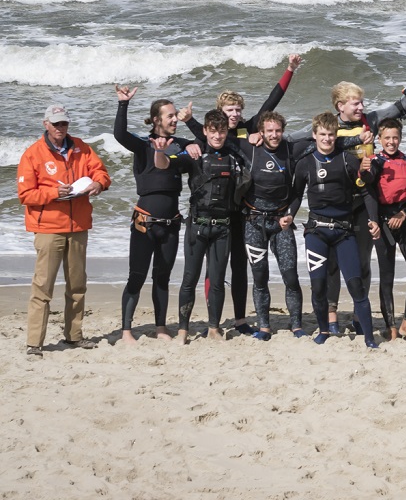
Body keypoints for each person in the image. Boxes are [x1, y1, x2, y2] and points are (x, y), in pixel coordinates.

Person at [184, 54, 302, 336]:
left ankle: (239, 320)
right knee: (215, 269)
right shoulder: (213, 136)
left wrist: (289, 70)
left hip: (246, 213)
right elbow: (196, 141)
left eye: (237, 109)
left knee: (240, 267)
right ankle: (214, 320)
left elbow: (272, 103)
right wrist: (188, 132)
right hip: (221, 213)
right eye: (228, 109)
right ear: (218, 113)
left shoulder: (251, 131)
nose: (234, 114)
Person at [321, 53, 406, 335]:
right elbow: (304, 141)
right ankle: (332, 314)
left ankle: (360, 316)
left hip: (364, 204)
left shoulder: (371, 120)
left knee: (361, 262)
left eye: (361, 102)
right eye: (356, 102)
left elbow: (403, 105)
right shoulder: (330, 130)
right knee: (334, 263)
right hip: (336, 203)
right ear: (340, 106)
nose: (362, 106)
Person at [19, 105, 111, 357]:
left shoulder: (81, 147)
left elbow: (102, 172)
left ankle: (74, 337)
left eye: (64, 124)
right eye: (56, 124)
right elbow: (25, 195)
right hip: (48, 228)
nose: (61, 128)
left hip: (78, 226)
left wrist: (98, 183)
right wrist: (52, 193)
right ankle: (34, 343)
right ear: (45, 124)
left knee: (77, 286)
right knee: (43, 287)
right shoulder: (33, 154)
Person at [155, 109, 249, 343]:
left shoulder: (235, 155)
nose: (218, 136)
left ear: (227, 132)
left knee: (217, 281)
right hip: (197, 226)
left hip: (223, 228)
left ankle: (214, 328)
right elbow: (165, 164)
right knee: (190, 278)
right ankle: (183, 330)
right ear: (205, 131)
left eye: (222, 131)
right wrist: (159, 151)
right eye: (213, 131)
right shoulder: (194, 154)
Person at [113, 86, 197, 344]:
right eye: (169, 116)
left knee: (162, 277)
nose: (174, 119)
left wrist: (194, 140)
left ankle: (161, 328)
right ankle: (126, 330)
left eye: (175, 115)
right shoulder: (143, 145)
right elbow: (119, 134)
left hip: (171, 223)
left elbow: (204, 142)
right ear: (157, 119)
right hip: (144, 223)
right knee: (137, 276)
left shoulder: (180, 145)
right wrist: (123, 104)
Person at [290, 112, 380, 347]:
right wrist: (288, 213)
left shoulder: (347, 161)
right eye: (322, 135)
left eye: (331, 135)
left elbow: (365, 189)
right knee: (319, 285)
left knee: (355, 284)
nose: (327, 139)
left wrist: (373, 219)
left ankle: (369, 339)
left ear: (336, 136)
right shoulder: (305, 164)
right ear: (314, 135)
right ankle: (324, 331)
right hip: (316, 232)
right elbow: (296, 195)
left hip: (343, 232)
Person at [237, 111, 303, 340]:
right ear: (261, 132)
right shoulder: (249, 148)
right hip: (254, 222)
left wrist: (291, 215)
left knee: (291, 275)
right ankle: (264, 326)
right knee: (259, 277)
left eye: (278, 131)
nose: (274, 135)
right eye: (269, 131)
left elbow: (324, 139)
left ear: (282, 131)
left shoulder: (290, 150)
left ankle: (296, 325)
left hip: (281, 222)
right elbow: (217, 138)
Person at [360, 117, 406, 341]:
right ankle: (391, 327)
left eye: (395, 137)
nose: (391, 141)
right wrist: (363, 168)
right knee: (387, 277)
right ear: (379, 139)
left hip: (405, 220)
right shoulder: (375, 161)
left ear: (400, 137)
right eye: (387, 138)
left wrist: (405, 213)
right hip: (384, 223)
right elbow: (366, 182)